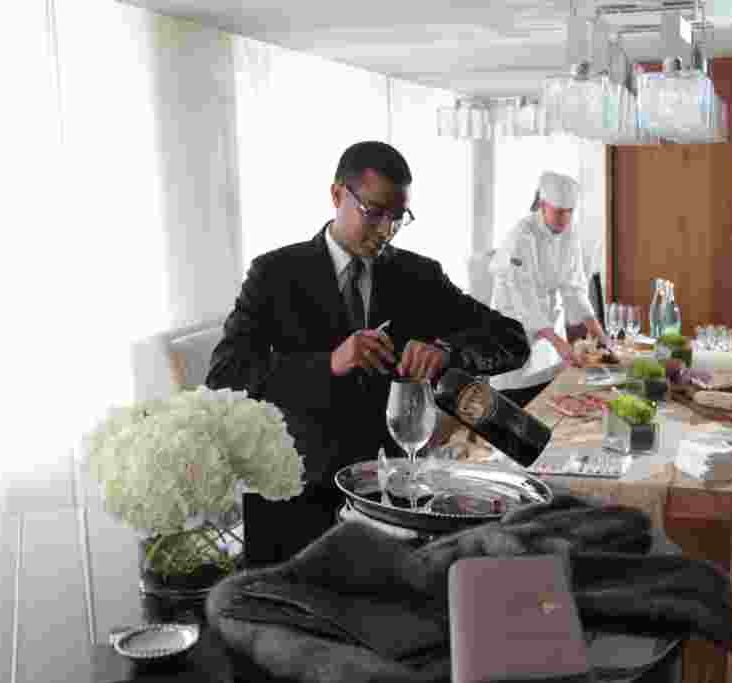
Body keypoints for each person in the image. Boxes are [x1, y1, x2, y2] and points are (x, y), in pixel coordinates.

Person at [206, 141, 529, 557]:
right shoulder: (274, 274)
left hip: (398, 497)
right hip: (299, 497)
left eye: (397, 218)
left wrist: (449, 351)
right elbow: (225, 375)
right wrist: (329, 363)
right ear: (338, 195)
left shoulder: (419, 276)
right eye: (374, 213)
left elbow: (512, 339)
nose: (385, 231)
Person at [489, 171, 613, 408]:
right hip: (514, 332)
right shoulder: (521, 236)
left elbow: (574, 287)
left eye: (570, 212)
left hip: (549, 338)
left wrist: (600, 334)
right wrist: (558, 342)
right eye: (559, 212)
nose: (564, 220)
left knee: (550, 405)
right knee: (518, 406)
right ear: (543, 205)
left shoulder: (570, 232)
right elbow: (525, 302)